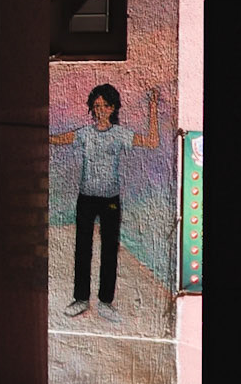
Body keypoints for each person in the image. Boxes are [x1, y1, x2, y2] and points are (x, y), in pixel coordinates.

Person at [49, 82, 159, 324]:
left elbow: (151, 142)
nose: (100, 110)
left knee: (109, 250)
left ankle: (106, 302)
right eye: (96, 106)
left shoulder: (120, 134)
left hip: (110, 199)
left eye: (104, 106)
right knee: (83, 249)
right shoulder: (85, 134)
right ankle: (80, 299)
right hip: (86, 198)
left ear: (113, 108)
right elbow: (59, 139)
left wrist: (153, 108)